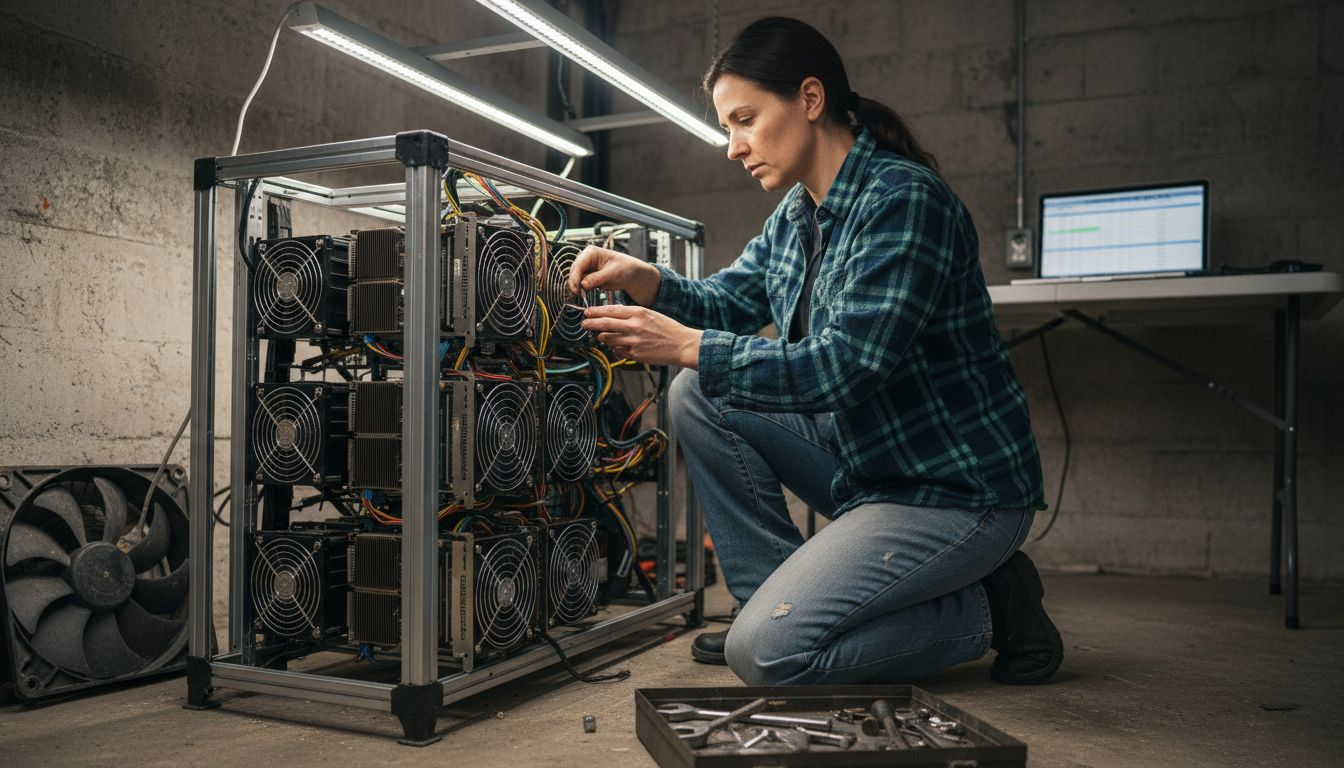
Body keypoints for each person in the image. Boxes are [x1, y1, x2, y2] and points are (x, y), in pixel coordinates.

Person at [569, 17, 1062, 686]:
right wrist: (644, 279)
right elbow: (726, 302)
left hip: (954, 492)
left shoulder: (904, 201)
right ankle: (768, 601)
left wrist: (684, 344)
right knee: (699, 391)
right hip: (874, 467)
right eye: (726, 128)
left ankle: (990, 609)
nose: (733, 147)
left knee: (767, 656)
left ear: (809, 98)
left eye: (745, 119)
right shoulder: (796, 216)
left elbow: (844, 366)